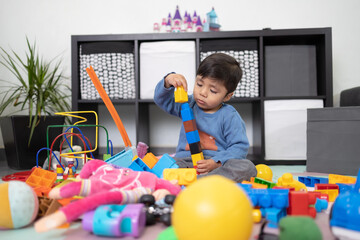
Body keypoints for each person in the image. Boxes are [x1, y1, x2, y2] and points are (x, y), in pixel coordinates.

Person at [154, 53, 257, 182]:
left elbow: (239, 148)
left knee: (248, 167)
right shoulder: (188, 104)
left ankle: (200, 181)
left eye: (213, 91)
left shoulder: (229, 116)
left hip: (216, 166)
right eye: (199, 84)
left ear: (227, 96)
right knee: (161, 165)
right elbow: (162, 101)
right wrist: (168, 81)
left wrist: (216, 162)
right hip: (185, 161)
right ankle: (190, 179)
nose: (202, 93)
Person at [34, 159, 181, 232]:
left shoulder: (149, 183)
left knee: (101, 195)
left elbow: (173, 190)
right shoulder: (104, 170)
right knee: (95, 191)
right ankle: (62, 205)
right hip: (124, 184)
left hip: (133, 189)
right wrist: (82, 178)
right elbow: (93, 164)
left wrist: (164, 192)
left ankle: (61, 215)